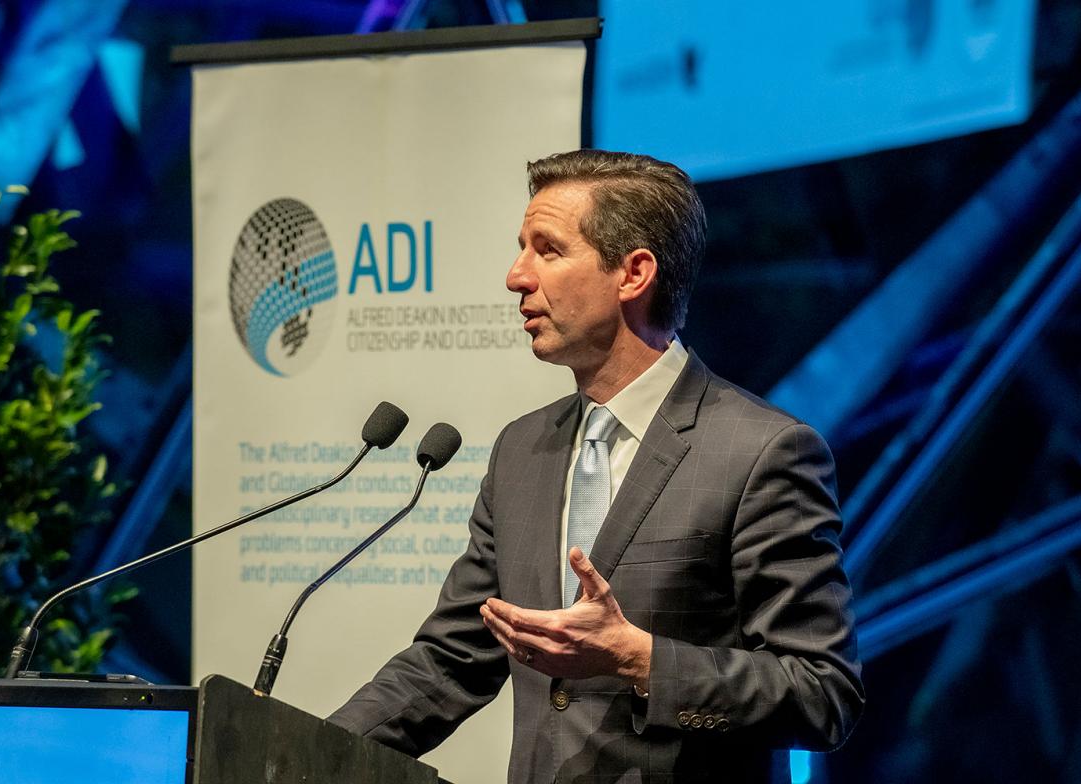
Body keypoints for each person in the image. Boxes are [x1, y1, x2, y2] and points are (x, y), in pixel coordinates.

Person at [329, 149, 864, 783]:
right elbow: (453, 659)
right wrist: (301, 753)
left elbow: (821, 694)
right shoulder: (522, 451)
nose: (515, 276)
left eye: (547, 250)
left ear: (634, 273)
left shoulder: (760, 452)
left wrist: (640, 660)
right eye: (521, 248)